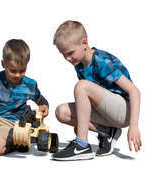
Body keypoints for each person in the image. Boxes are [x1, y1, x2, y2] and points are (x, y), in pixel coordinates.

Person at [52, 20, 141, 161]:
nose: (67, 59)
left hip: (124, 110)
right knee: (61, 112)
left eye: (70, 53)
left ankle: (81, 146)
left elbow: (134, 92)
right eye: (64, 55)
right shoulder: (79, 64)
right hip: (106, 111)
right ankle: (107, 132)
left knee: (81, 86)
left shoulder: (102, 61)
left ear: (84, 42)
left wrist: (134, 126)